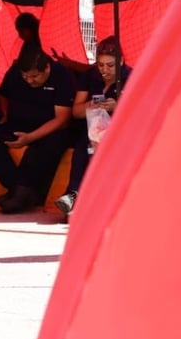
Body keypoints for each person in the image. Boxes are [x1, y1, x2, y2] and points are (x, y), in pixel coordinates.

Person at [0, 46, 74, 214]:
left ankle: (19, 193)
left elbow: (62, 118)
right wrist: (5, 113)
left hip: (50, 126)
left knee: (51, 142)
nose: (30, 81)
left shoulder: (62, 76)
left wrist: (30, 137)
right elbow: (3, 93)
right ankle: (18, 188)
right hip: (18, 122)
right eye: (26, 77)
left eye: (35, 76)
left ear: (46, 68)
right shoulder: (15, 72)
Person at [55, 36, 132, 216]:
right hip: (93, 129)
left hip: (120, 130)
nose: (104, 70)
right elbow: (76, 112)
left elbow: (140, 110)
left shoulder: (131, 77)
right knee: (84, 145)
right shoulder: (90, 76)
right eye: (101, 64)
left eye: (110, 65)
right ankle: (73, 194)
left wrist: (118, 106)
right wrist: (91, 105)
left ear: (121, 61)